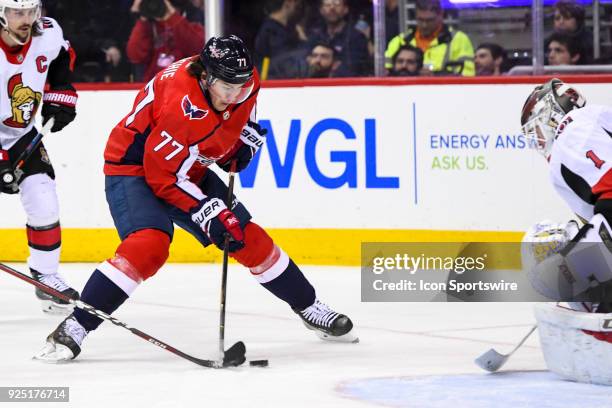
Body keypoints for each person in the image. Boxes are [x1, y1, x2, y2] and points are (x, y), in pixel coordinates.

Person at [35, 35, 356, 362]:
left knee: (246, 236)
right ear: (205, 77)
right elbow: (164, 177)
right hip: (135, 168)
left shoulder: (241, 80)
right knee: (149, 244)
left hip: (185, 163)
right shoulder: (181, 104)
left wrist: (240, 142)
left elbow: (245, 109)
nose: (234, 96)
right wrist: (208, 211)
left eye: (240, 87)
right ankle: (77, 324)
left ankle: (309, 306)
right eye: (226, 88)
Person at [519, 78, 612, 385]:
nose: (538, 141)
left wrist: (569, 271)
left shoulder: (573, 130)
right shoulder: (597, 118)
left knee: (546, 251)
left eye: (535, 132)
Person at [0, 0, 79, 313]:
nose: (27, 19)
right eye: (18, 13)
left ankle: (46, 277)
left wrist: (61, 93)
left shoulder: (47, 32)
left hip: (22, 135)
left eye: (31, 11)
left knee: (45, 202)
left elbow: (62, 57)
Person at [385, 0, 474, 76]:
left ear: (441, 15)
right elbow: (385, 74)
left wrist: (435, 76)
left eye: (429, 20)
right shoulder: (399, 41)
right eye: (420, 20)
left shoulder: (459, 40)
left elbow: (468, 76)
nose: (424, 25)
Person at [127, 0, 205, 81]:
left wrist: (173, 17)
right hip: (155, 84)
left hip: (186, 82)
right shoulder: (148, 23)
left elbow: (199, 49)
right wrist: (143, 14)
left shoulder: (193, 15)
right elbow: (135, 56)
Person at [307, 0, 370, 77]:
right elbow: (307, 63)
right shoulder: (315, 37)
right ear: (321, 10)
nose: (332, 8)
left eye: (337, 4)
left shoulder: (356, 37)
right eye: (327, 4)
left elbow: (358, 68)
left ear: (345, 9)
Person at [254, 0, 306, 76]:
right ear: (289, 2)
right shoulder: (271, 30)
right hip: (272, 81)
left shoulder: (288, 29)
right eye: (297, 4)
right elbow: (283, 59)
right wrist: (303, 41)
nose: (299, 9)